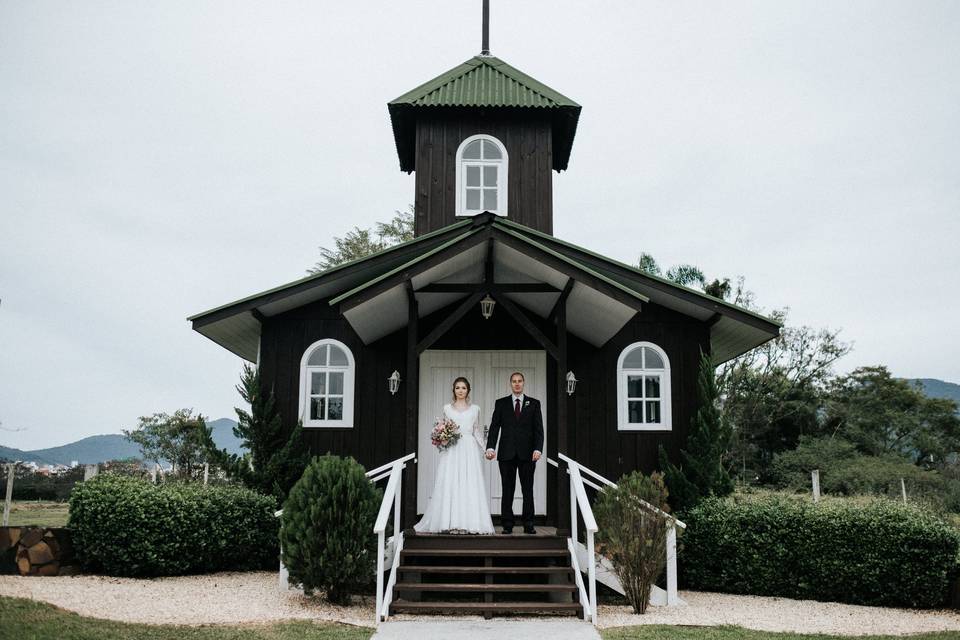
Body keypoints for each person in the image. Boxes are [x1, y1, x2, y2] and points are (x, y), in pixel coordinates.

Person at [414, 376, 495, 534]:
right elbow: (444, 427)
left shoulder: (475, 409)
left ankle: (467, 523)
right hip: (452, 450)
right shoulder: (447, 409)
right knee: (451, 483)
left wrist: (486, 448)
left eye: (463, 388)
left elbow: (476, 430)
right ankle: (450, 522)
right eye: (458, 387)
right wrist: (441, 436)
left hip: (469, 449)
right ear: (454, 390)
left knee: (468, 484)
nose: (460, 391)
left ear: (468, 390)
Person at [485, 371, 544, 534]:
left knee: (528, 490)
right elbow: (494, 427)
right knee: (507, 489)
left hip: (528, 454)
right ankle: (507, 524)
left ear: (523, 383)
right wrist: (491, 447)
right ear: (510, 384)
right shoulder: (501, 403)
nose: (517, 384)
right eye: (514, 381)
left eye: (519, 381)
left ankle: (529, 523)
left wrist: (538, 448)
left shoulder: (533, 403)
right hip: (506, 454)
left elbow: (539, 429)